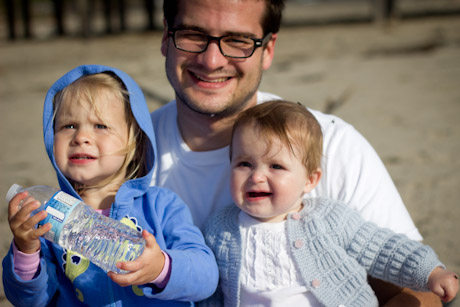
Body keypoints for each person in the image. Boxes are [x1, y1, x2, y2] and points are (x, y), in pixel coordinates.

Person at [151, 1, 440, 304]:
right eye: (193, 35)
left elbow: (415, 292)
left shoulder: (333, 144)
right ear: (165, 36)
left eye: (238, 41)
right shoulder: (123, 158)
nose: (212, 60)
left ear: (269, 49)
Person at [201, 100, 459, 306]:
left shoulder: (329, 219)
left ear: (310, 181)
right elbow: (210, 292)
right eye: (244, 164)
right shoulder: (219, 230)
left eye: (276, 166)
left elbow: (383, 248)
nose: (256, 176)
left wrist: (430, 272)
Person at [2, 64, 218, 306]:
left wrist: (160, 268)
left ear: (133, 140)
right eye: (68, 126)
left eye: (100, 126)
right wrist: (25, 250)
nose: (81, 137)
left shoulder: (160, 206)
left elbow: (206, 278)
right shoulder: (49, 218)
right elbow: (29, 300)